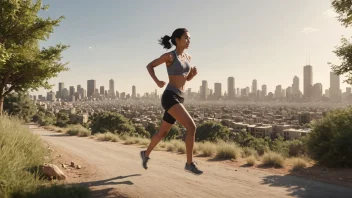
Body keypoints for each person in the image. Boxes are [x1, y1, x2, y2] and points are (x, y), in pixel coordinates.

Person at [140, 28, 203, 175]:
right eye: (186, 38)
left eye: (189, 38)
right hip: (170, 97)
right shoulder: (169, 56)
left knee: (162, 132)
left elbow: (184, 79)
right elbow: (150, 66)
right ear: (177, 40)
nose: (189, 41)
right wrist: (157, 82)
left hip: (180, 97)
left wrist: (191, 76)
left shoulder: (188, 58)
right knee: (191, 127)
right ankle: (189, 163)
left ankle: (145, 154)